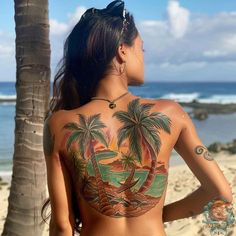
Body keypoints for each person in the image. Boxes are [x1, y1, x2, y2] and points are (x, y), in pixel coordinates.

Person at [41, 1, 233, 235]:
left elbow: (62, 227)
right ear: (122, 50)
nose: (143, 57)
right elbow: (220, 193)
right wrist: (156, 215)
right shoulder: (172, 113)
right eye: (140, 49)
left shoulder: (59, 125)